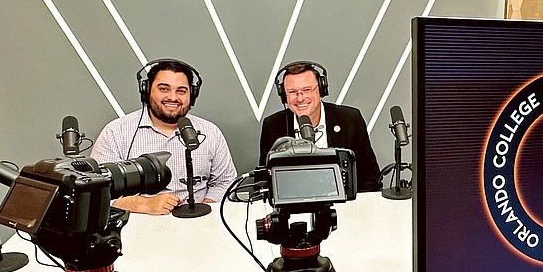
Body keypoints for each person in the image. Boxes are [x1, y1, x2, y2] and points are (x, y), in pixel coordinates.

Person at [91, 59, 237, 213]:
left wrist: (206, 209)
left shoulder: (210, 132)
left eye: (181, 91)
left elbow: (225, 181)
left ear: (192, 94)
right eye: (164, 89)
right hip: (138, 227)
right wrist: (144, 204)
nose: (173, 97)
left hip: (200, 224)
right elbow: (97, 191)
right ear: (147, 91)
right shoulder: (116, 132)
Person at [259, 60, 382, 192]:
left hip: (344, 204)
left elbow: (371, 176)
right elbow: (264, 180)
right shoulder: (272, 126)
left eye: (306, 90)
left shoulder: (350, 119)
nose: (300, 98)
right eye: (293, 92)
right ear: (284, 95)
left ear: (321, 89)